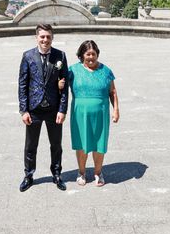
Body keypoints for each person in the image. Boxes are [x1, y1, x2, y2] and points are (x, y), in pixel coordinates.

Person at [18, 23, 69, 192]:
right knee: (31, 145)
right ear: (36, 38)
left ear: (52, 38)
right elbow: (22, 84)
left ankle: (56, 174)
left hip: (53, 109)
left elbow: (65, 84)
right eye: (42, 37)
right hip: (34, 109)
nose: (45, 40)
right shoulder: (28, 56)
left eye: (48, 36)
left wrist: (62, 109)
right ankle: (29, 175)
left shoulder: (60, 56)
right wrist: (24, 110)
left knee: (56, 145)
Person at [66, 40, 119, 187]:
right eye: (87, 54)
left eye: (93, 54)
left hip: (101, 113)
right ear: (82, 55)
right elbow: (60, 87)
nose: (90, 57)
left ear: (97, 54)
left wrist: (116, 110)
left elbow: (112, 92)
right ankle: (81, 172)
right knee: (82, 144)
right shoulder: (72, 70)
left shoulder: (106, 71)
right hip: (79, 114)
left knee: (99, 143)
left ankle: (98, 172)